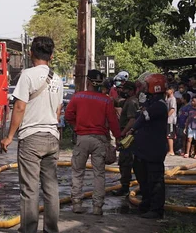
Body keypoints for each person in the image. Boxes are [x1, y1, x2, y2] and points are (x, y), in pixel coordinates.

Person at [0, 36, 63, 233]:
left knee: (29, 189)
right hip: (52, 137)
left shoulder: (27, 75)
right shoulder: (58, 78)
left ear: (30, 53)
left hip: (32, 137)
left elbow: (19, 108)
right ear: (51, 55)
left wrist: (9, 136)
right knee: (51, 188)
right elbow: (58, 110)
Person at [65, 70, 121, 216]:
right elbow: (113, 121)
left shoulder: (78, 97)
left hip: (82, 139)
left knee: (77, 172)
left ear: (88, 82)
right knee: (99, 174)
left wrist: (76, 126)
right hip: (99, 140)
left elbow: (68, 115)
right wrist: (118, 137)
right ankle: (97, 207)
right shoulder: (107, 100)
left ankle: (76, 203)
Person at [128, 73, 169, 219]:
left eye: (146, 85)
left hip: (154, 150)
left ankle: (156, 209)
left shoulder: (160, 105)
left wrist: (132, 130)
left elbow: (143, 117)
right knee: (143, 178)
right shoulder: (152, 103)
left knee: (155, 180)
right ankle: (146, 204)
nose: (144, 88)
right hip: (143, 150)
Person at [112, 81, 138, 196]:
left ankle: (125, 187)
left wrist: (123, 133)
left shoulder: (132, 102)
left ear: (131, 90)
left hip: (128, 137)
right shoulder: (129, 101)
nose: (123, 91)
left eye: (125, 89)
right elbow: (117, 102)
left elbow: (132, 120)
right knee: (125, 162)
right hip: (128, 135)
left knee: (125, 162)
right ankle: (125, 185)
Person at [166, 86, 177, 156]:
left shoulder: (173, 99)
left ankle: (171, 150)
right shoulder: (168, 99)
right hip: (167, 120)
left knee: (170, 135)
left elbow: (172, 109)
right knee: (167, 135)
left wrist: (166, 116)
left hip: (171, 120)